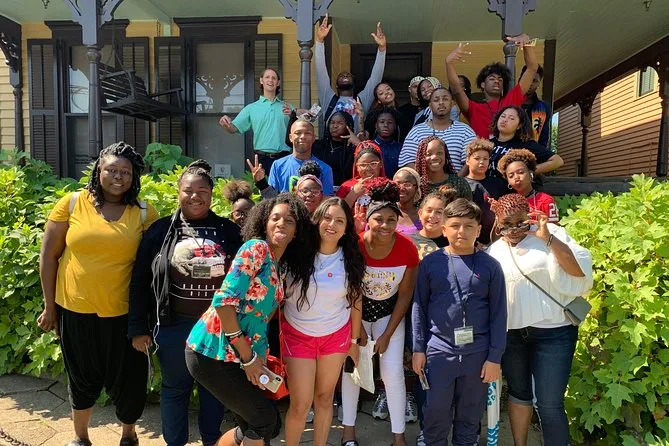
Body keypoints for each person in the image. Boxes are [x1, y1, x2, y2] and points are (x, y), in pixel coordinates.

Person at [37, 142, 159, 446]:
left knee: (129, 378)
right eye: (112, 170)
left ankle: (128, 434)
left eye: (126, 172)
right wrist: (49, 307)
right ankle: (80, 437)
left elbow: (153, 268)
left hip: (125, 313)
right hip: (75, 308)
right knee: (81, 375)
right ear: (98, 171)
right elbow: (49, 256)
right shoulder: (71, 204)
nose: (118, 177)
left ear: (134, 177)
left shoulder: (144, 212)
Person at [185, 194, 317, 446]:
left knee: (260, 424)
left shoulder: (278, 265)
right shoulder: (256, 249)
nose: (281, 223)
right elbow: (224, 302)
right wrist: (249, 359)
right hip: (213, 352)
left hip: (239, 356)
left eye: (289, 220)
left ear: (297, 232)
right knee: (263, 421)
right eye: (275, 218)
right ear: (264, 223)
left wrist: (257, 357)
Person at [128, 160, 243, 446]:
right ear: (178, 192)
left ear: (211, 194)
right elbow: (140, 280)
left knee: (214, 391)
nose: (195, 196)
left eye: (202, 191)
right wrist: (138, 328)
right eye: (188, 190)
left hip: (216, 328)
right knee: (175, 389)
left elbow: (244, 279)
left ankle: (212, 441)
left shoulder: (228, 231)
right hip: (173, 326)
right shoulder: (160, 231)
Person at [487, 194, 593, 446]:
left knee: (549, 402)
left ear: (530, 216)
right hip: (513, 334)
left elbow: (578, 271)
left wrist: (548, 239)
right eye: (506, 224)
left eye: (519, 222)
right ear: (497, 222)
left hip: (554, 332)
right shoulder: (495, 250)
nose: (514, 229)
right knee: (518, 395)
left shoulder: (551, 233)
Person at [412, 198, 507, 446]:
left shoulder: (490, 266)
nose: (461, 231)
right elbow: (419, 308)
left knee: (470, 414)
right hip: (439, 351)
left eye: (468, 226)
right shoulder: (431, 264)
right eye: (455, 225)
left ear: (479, 229)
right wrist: (418, 349)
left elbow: (499, 314)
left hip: (478, 354)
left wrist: (495, 357)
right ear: (444, 229)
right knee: (435, 412)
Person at [341, 177, 419, 446]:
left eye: (391, 220)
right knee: (353, 369)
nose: (385, 225)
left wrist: (387, 334)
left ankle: (399, 436)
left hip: (389, 314)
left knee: (392, 372)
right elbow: (350, 290)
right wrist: (358, 332)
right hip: (356, 314)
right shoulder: (356, 247)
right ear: (368, 219)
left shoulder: (407, 249)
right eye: (379, 219)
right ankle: (348, 432)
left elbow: (405, 294)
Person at [283, 197, 365, 446]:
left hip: (335, 336)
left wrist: (354, 342)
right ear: (317, 219)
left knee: (325, 398)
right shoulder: (295, 254)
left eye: (339, 221)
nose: (332, 225)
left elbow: (355, 300)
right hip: (297, 335)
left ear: (346, 227)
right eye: (327, 218)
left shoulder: (351, 258)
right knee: (300, 404)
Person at [446, 35, 539, 138]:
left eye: (500, 80)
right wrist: (449, 62)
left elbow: (532, 68)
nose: (496, 81)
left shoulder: (511, 100)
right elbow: (456, 89)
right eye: (492, 78)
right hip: (481, 148)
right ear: (483, 84)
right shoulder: (474, 108)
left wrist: (527, 44)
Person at [316, 14, 386, 134]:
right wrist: (319, 41)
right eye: (341, 76)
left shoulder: (362, 100)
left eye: (348, 75)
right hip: (332, 144)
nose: (345, 75)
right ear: (336, 85)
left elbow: (375, 78)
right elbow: (320, 72)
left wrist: (382, 49)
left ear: (354, 83)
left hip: (354, 144)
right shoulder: (328, 98)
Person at [219, 68, 295, 173]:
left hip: (284, 157)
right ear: (261, 80)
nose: (270, 80)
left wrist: (293, 115)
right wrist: (225, 124)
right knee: (262, 184)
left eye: (274, 78)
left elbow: (301, 125)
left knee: (285, 185)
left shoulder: (288, 107)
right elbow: (233, 128)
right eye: (267, 77)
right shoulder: (251, 108)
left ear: (278, 83)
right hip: (261, 159)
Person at [399, 88, 476, 172]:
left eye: (445, 99)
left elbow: (471, 161)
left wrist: (456, 179)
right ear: (430, 105)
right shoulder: (416, 131)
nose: (441, 103)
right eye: (436, 100)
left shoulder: (465, 131)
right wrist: (425, 178)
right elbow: (407, 161)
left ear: (452, 103)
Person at [488, 105, 563, 177]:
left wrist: (528, 172)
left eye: (511, 118)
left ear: (519, 125)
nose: (504, 120)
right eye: (503, 116)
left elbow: (557, 161)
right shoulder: (487, 144)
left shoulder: (526, 145)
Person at [268, 119, 334, 195]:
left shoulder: (325, 169)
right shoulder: (278, 165)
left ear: (313, 138)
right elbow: (271, 198)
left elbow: (326, 200)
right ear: (290, 137)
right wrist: (261, 182)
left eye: (307, 133)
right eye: (298, 133)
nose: (302, 136)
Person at [498, 149, 560, 223]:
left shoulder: (546, 200)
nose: (516, 177)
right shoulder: (508, 204)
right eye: (511, 176)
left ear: (531, 174)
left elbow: (554, 229)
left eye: (521, 172)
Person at [462, 138, 498, 246]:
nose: (482, 162)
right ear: (467, 161)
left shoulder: (498, 183)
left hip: (494, 239)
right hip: (469, 240)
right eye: (477, 158)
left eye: (485, 159)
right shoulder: (461, 185)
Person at [312, 111, 359, 186]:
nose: (335, 126)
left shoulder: (352, 148)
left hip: (344, 189)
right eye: (332, 122)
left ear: (349, 126)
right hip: (318, 188)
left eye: (340, 123)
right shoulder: (318, 145)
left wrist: (358, 143)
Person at [337, 141, 386, 208]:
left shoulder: (388, 185)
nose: (368, 168)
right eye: (363, 165)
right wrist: (353, 194)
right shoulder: (346, 186)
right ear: (356, 167)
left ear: (380, 164)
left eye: (373, 164)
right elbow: (338, 211)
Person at [521, 64, 552, 147]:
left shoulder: (543, 108)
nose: (530, 83)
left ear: (539, 84)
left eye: (535, 81)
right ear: (521, 79)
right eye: (528, 79)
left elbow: (543, 138)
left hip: (532, 151)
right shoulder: (510, 103)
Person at [369, 106, 403, 178]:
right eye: (382, 122)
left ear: (395, 126)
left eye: (390, 122)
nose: (386, 125)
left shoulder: (401, 148)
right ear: (376, 125)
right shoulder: (369, 146)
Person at [393, 167, 422, 236]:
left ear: (416, 188)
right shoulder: (387, 211)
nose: (401, 188)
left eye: (407, 184)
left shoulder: (423, 215)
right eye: (397, 184)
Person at [398, 76, 424, 141]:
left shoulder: (429, 110)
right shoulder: (401, 111)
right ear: (409, 89)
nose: (418, 89)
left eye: (421, 87)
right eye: (415, 87)